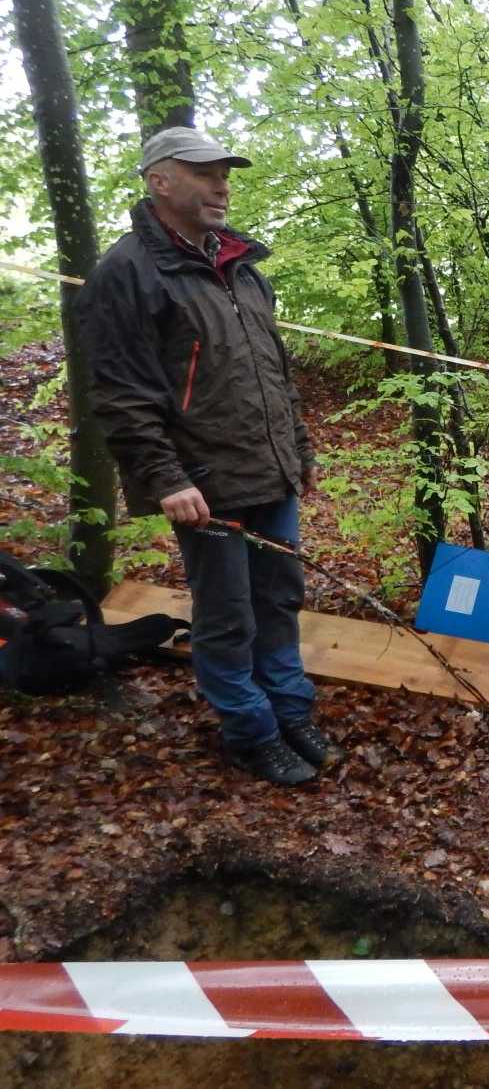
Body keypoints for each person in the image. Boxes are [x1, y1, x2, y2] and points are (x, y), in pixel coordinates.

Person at [78, 126, 339, 787]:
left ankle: (289, 709)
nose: (222, 184)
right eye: (204, 172)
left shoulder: (242, 267)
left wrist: (300, 449)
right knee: (227, 612)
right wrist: (164, 477)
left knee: (279, 598)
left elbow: (275, 371)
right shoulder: (127, 273)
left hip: (270, 469)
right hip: (204, 480)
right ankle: (250, 731)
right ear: (159, 181)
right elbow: (121, 393)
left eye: (225, 172)